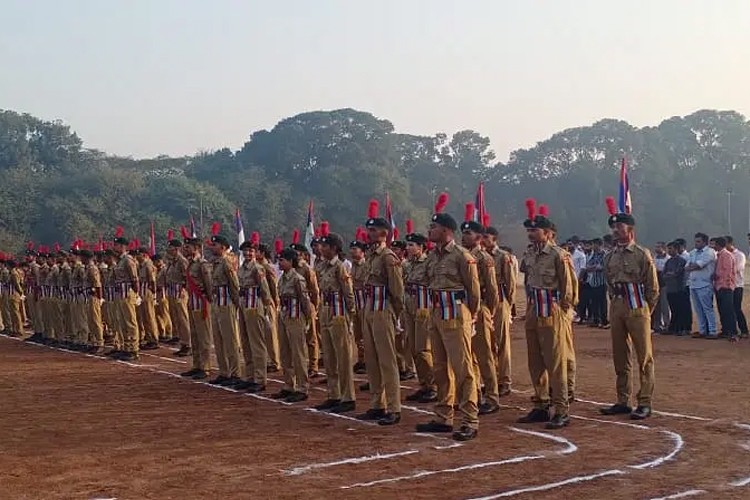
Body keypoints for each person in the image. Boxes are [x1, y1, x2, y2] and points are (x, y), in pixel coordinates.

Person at [415, 193, 481, 441]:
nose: (429, 230)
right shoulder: (432, 256)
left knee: (463, 369)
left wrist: (470, 317)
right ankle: (444, 416)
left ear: (445, 230)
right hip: (436, 314)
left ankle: (469, 420)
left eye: (433, 227)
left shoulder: (463, 256)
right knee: (440, 368)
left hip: (456, 314)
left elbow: (473, 292)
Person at [516, 200, 573, 430]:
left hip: (552, 310)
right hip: (533, 309)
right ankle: (540, 404)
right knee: (535, 360)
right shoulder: (529, 254)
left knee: (555, 362)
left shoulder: (559, 255)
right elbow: (527, 279)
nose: (530, 234)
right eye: (529, 230)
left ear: (548, 233)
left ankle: (561, 409)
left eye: (535, 230)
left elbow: (568, 287)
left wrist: (564, 311)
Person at [600, 198, 658, 420]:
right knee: (620, 355)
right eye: (613, 227)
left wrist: (645, 311)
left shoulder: (642, 254)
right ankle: (623, 400)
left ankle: (644, 401)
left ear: (630, 230)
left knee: (644, 356)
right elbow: (609, 284)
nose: (615, 230)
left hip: (637, 306)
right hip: (617, 306)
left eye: (619, 227)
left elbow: (653, 287)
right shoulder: (610, 256)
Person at [357, 200, 404, 426]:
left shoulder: (387, 257)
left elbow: (397, 291)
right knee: (372, 360)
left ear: (385, 233)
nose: (370, 233)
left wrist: (394, 315)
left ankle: (394, 407)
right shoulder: (371, 256)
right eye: (369, 229)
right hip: (369, 310)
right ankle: (377, 404)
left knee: (387, 361)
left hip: (383, 310)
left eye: (374, 230)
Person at [460, 204, 500, 415]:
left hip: (481, 307)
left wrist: (488, 311)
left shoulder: (484, 258)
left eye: (468, 233)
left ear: (479, 237)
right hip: (465, 308)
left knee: (484, 354)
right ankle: (473, 392)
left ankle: (492, 396)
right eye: (463, 233)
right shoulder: (461, 256)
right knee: (468, 354)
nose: (464, 237)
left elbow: (492, 289)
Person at [315, 228, 357, 414]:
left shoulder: (340, 267)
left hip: (339, 312)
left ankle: (348, 396)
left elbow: (348, 293)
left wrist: (351, 315)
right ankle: (333, 394)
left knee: (343, 357)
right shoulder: (321, 267)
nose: (321, 248)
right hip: (325, 311)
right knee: (330, 356)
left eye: (324, 246)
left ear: (334, 248)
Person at [273, 248, 313, 403]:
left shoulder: (297, 278)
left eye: (282, 260)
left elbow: (305, 300)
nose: (280, 263)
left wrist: (308, 320)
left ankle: (302, 387)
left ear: (291, 261)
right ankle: (289, 384)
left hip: (296, 316)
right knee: (285, 352)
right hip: (284, 315)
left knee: (298, 352)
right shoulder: (283, 278)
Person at [403, 223, 437, 404]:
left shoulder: (428, 263)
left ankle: (433, 386)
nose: (408, 248)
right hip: (410, 308)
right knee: (414, 348)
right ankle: (423, 384)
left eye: (411, 245)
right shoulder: (407, 265)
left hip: (423, 308)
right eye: (407, 245)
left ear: (421, 247)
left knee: (424, 349)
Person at [236, 234, 273, 393]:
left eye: (251, 251)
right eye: (246, 251)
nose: (248, 254)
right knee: (246, 342)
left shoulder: (258, 268)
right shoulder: (241, 268)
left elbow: (264, 290)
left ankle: (260, 378)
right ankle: (249, 376)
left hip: (254, 305)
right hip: (244, 305)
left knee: (257, 343)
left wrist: (265, 307)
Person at [482, 227, 516, 397]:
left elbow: (510, 283)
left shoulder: (503, 257)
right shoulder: (478, 256)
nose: (483, 240)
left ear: (494, 238)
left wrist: (509, 305)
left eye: (486, 237)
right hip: (485, 304)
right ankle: (492, 379)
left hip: (500, 302)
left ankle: (505, 380)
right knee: (487, 343)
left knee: (502, 343)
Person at [208, 227, 244, 387]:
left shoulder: (226, 263)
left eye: (215, 245)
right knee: (218, 339)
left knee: (230, 340)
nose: (212, 247)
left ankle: (235, 372)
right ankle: (224, 371)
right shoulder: (214, 263)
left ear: (223, 247)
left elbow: (234, 285)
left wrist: (236, 305)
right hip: (216, 303)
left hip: (227, 303)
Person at [180, 234, 213, 380]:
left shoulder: (202, 264)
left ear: (197, 248)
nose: (185, 249)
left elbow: (209, 285)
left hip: (201, 303)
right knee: (194, 336)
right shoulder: (190, 264)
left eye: (188, 247)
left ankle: (205, 367)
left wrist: (209, 300)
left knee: (203, 336)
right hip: (192, 303)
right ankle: (197, 364)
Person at [112, 228, 140, 361]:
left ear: (123, 246)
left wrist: (136, 294)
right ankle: (125, 347)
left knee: (130, 321)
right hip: (120, 293)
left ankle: (133, 349)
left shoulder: (128, 260)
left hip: (127, 292)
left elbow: (134, 278)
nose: (114, 247)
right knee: (122, 321)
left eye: (116, 245)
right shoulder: (119, 260)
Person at [686, 233, 718, 338]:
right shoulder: (692, 252)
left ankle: (713, 331)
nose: (696, 243)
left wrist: (694, 266)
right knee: (698, 309)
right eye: (695, 241)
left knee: (707, 308)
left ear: (705, 242)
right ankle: (702, 330)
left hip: (705, 284)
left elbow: (699, 265)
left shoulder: (710, 252)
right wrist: (694, 266)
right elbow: (687, 267)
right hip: (693, 284)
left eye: (698, 241)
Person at [166, 230, 192, 356]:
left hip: (180, 292)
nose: (168, 249)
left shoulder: (182, 261)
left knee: (183, 318)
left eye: (171, 247)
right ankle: (183, 342)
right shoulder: (172, 261)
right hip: (172, 291)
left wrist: (184, 291)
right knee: (177, 318)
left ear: (177, 249)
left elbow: (186, 278)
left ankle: (188, 344)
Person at [258, 242, 281, 372]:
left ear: (262, 253)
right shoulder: (258, 267)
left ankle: (274, 361)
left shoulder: (267, 268)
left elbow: (273, 286)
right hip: (259, 302)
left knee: (270, 333)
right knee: (263, 333)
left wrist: (274, 303)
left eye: (257, 251)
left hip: (269, 303)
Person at [349, 233, 369, 375]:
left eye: (355, 249)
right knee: (358, 334)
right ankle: (361, 359)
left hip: (365, 303)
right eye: (352, 249)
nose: (352, 251)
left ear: (362, 252)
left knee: (366, 333)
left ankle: (368, 360)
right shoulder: (352, 266)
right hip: (356, 302)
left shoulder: (366, 265)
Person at [712, 237, 737, 341]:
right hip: (719, 286)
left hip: (725, 286)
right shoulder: (720, 255)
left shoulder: (726, 255)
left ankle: (732, 332)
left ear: (718, 245)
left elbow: (727, 271)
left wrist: (716, 276)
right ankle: (725, 330)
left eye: (714, 244)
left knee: (728, 310)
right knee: (722, 309)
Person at [135, 248, 159, 350]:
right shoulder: (140, 266)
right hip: (141, 294)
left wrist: (153, 295)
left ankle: (154, 339)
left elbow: (152, 281)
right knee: (144, 317)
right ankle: (148, 338)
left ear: (144, 255)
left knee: (150, 317)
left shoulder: (148, 265)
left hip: (147, 293)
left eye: (139, 254)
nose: (137, 257)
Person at [663, 242, 690, 335]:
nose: (669, 251)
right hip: (670, 289)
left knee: (680, 309)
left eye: (671, 248)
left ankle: (681, 328)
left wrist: (670, 274)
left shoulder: (681, 260)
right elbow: (664, 274)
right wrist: (670, 274)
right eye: (668, 249)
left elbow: (677, 273)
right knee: (673, 309)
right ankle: (673, 328)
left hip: (679, 288)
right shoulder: (668, 261)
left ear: (676, 249)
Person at [726, 236, 749, 338]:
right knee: (729, 309)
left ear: (730, 243)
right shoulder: (724, 255)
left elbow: (738, 268)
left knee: (737, 308)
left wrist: (725, 271)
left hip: (737, 285)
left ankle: (744, 330)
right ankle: (732, 330)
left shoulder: (739, 255)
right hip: (727, 286)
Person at [585, 238, 608, 328]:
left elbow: (602, 267)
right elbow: (587, 266)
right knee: (594, 302)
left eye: (594, 244)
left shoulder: (604, 254)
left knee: (602, 302)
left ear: (599, 245)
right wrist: (594, 267)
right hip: (593, 282)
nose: (593, 246)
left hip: (601, 282)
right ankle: (596, 320)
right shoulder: (593, 255)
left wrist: (594, 267)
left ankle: (604, 320)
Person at [152, 254, 173, 343]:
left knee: (165, 313)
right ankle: (162, 332)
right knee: (158, 314)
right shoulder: (156, 270)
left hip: (163, 293)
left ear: (160, 261)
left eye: (156, 261)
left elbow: (167, 282)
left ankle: (169, 332)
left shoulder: (164, 270)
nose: (154, 263)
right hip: (157, 293)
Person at [651, 242, 671, 334]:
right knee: (656, 306)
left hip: (664, 285)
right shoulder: (654, 258)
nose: (656, 248)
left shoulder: (668, 259)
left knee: (664, 306)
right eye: (656, 246)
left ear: (664, 248)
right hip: (655, 284)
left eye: (658, 247)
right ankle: (657, 325)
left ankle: (667, 325)